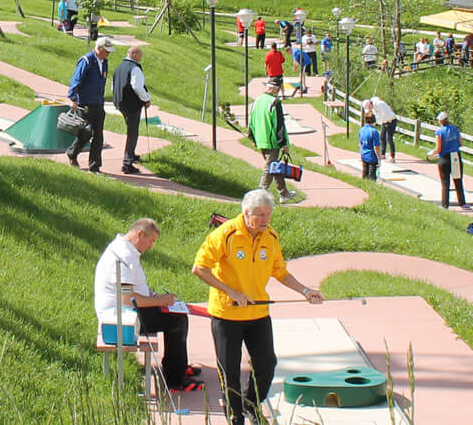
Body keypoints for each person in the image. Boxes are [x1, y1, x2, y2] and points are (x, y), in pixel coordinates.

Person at [192, 189, 325, 425]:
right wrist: (230, 291)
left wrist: (305, 291)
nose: (265, 220)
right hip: (227, 314)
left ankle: (251, 404)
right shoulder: (226, 234)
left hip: (258, 313)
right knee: (229, 371)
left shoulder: (270, 237)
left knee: (266, 364)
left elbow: (280, 272)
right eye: (260, 215)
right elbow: (199, 268)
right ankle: (235, 416)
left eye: (268, 214)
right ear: (246, 213)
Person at [95, 218, 201, 393]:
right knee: (176, 320)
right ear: (140, 234)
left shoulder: (126, 249)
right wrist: (160, 302)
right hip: (121, 318)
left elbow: (134, 287)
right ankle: (175, 380)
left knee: (175, 316)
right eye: (151, 241)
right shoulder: (124, 255)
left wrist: (155, 296)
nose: (151, 246)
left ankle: (178, 368)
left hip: (127, 311)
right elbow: (128, 298)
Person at [67, 36, 113, 173]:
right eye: (107, 50)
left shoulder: (104, 62)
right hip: (85, 104)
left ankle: (95, 166)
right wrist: (73, 98)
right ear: (99, 48)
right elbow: (76, 79)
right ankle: (72, 154)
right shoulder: (86, 60)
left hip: (98, 103)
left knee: (99, 136)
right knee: (86, 134)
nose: (108, 53)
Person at [250, 77, 297, 201]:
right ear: (276, 89)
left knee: (275, 166)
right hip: (272, 142)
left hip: (260, 139)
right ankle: (260, 195)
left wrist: (253, 138)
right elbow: (279, 124)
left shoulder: (257, 101)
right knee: (269, 168)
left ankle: (284, 193)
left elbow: (251, 121)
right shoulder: (275, 102)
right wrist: (283, 143)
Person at [113, 46, 152, 175]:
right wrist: (146, 99)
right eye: (140, 55)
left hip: (120, 102)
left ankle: (131, 154)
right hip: (131, 104)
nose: (141, 58)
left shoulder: (119, 67)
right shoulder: (134, 68)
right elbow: (137, 87)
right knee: (133, 132)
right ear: (134, 55)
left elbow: (114, 86)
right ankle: (127, 163)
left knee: (131, 129)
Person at [429, 112, 469, 209]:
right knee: (458, 180)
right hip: (455, 156)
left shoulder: (439, 131)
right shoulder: (455, 129)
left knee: (445, 182)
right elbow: (461, 143)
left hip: (444, 158)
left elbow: (439, 148)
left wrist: (431, 154)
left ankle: (445, 204)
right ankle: (463, 203)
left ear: (440, 121)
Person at [356, 116, 383, 181]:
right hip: (372, 157)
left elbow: (360, 144)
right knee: (372, 177)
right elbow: (376, 147)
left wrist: (361, 154)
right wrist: (379, 158)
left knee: (364, 175)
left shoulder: (361, 130)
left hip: (364, 155)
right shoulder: (374, 131)